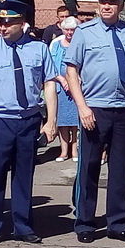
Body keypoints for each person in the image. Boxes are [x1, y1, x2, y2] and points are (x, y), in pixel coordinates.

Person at [64, 0, 125, 244]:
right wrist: (82, 107)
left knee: (120, 169)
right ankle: (85, 222)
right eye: (103, 1)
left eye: (112, 2)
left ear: (121, 5)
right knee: (89, 167)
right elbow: (72, 71)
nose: (107, 6)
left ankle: (117, 223)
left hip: (124, 109)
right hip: (94, 109)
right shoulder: (85, 32)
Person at [0, 0, 57, 245]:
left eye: (8, 23)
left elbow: (49, 84)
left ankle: (23, 225)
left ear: (22, 23)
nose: (2, 27)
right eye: (0, 22)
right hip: (0, 120)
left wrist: (50, 120)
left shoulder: (39, 49)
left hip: (29, 120)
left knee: (24, 175)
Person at [50, 16, 80, 161]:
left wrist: (75, 79)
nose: (69, 33)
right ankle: (63, 151)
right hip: (60, 88)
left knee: (74, 121)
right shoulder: (56, 44)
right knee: (62, 121)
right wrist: (61, 79)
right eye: (67, 30)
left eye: (72, 30)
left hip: (76, 87)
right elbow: (50, 65)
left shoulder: (80, 44)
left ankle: (74, 150)